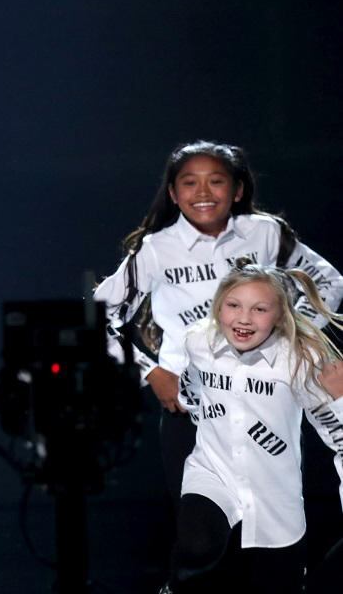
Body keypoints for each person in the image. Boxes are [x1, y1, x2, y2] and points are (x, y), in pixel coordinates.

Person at [94, 140, 343, 508]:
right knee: (200, 527)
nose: (203, 192)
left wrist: (291, 335)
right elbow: (96, 315)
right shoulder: (156, 249)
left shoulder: (265, 233)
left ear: (237, 189)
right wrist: (152, 373)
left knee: (270, 520)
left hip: (267, 401)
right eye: (190, 182)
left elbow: (328, 281)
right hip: (191, 408)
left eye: (216, 181)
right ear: (173, 193)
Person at [165, 260, 343, 593]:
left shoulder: (300, 359)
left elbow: (338, 434)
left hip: (274, 494)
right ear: (218, 307)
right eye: (234, 305)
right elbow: (191, 388)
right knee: (197, 544)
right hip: (212, 472)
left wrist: (340, 399)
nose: (244, 318)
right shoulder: (199, 342)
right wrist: (198, 410)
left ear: (280, 316)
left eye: (260, 309)